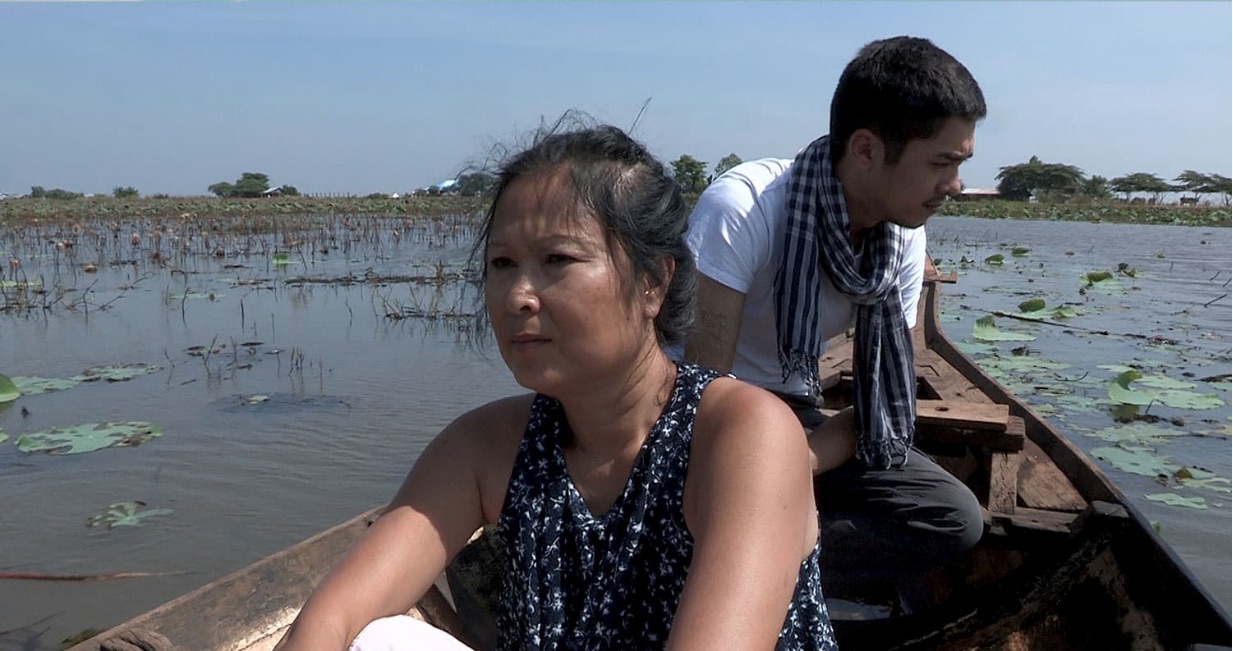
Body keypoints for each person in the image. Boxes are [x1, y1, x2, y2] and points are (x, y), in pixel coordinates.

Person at [276, 123, 838, 650]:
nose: (518, 295)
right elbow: (334, 617)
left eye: (557, 260)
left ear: (653, 283)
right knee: (377, 640)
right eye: (502, 262)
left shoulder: (741, 433)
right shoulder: (486, 446)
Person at [679, 36, 987, 601]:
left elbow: (881, 406)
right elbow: (701, 394)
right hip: (695, 420)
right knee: (693, 497)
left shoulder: (904, 243)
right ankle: (732, 565)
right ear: (866, 150)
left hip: (793, 417)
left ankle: (753, 570)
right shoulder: (746, 208)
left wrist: (795, 465)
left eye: (960, 164)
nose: (955, 187)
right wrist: (764, 472)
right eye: (941, 163)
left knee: (954, 519)